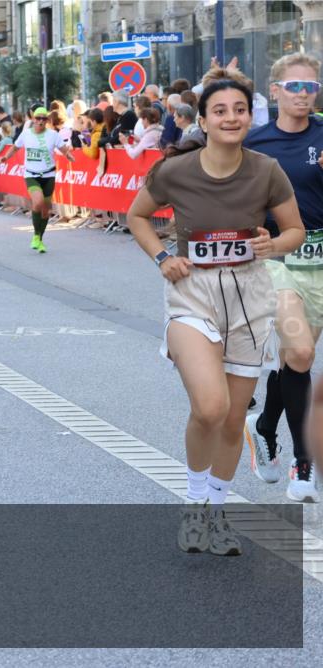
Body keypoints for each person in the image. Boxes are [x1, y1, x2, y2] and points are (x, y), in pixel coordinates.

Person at [125, 74, 304, 555]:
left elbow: (294, 232)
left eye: (239, 109)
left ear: (250, 115)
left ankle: (217, 513)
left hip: (249, 295)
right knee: (210, 406)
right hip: (192, 294)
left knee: (230, 421)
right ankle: (194, 504)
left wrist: (273, 242)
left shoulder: (266, 170)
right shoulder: (175, 171)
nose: (231, 118)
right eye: (220, 110)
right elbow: (136, 215)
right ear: (202, 120)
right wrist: (163, 258)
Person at [243, 54, 323, 501]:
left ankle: (265, 425)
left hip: (320, 263)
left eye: (311, 85)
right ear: (274, 91)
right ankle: (303, 463)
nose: (303, 93)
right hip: (276, 260)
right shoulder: (257, 144)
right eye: (294, 86)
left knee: (296, 361)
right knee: (305, 352)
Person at [0, 106, 75, 253]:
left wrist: (69, 155)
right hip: (31, 174)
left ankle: (39, 238)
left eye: (43, 119)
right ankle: (35, 235)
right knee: (38, 202)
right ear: (33, 119)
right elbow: (15, 147)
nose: (40, 121)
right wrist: (5, 157)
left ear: (47, 120)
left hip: (49, 175)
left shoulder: (53, 135)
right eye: (38, 118)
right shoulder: (26, 134)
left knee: (46, 210)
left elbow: (63, 148)